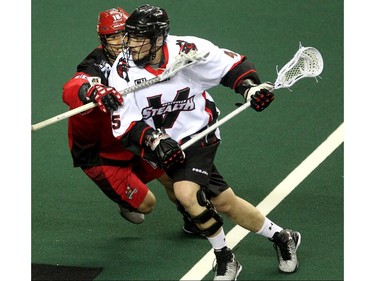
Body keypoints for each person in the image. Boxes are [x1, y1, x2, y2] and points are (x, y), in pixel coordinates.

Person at [108, 4, 301, 280]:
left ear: (159, 39)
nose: (131, 44)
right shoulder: (123, 70)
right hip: (168, 146)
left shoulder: (188, 51)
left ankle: (226, 259)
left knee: (187, 194)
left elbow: (232, 67)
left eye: (140, 38)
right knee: (225, 202)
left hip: (199, 133)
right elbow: (124, 124)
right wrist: (153, 140)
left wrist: (250, 88)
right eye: (130, 37)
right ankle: (283, 237)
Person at [61, 7, 186, 227]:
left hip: (130, 134)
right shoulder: (95, 65)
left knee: (172, 176)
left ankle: (191, 217)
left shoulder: (139, 56)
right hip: (100, 152)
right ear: (103, 39)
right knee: (146, 204)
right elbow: (72, 87)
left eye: (123, 34)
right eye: (112, 37)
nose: (120, 42)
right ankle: (124, 199)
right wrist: (91, 91)